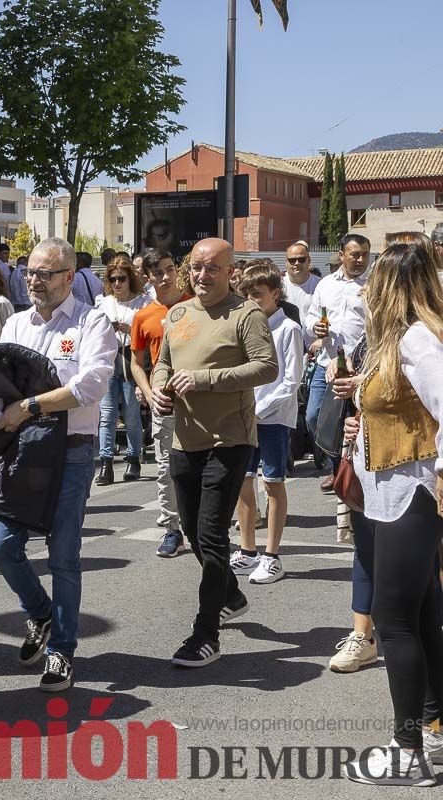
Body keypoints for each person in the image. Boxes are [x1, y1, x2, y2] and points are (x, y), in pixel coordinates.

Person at [0, 237, 116, 693]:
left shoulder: (94, 323)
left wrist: (30, 406)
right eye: (28, 271)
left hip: (71, 449)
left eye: (44, 273)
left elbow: (90, 386)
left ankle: (62, 651)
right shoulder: (15, 324)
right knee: (2, 546)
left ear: (69, 277)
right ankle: (41, 613)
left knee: (64, 555)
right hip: (20, 449)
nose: (33, 280)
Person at [151, 238, 278, 668]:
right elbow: (163, 363)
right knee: (191, 534)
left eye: (212, 268)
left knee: (210, 536)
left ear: (230, 272)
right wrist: (157, 388)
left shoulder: (246, 314)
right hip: (184, 438)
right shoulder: (179, 313)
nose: (202, 276)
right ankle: (232, 595)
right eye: (197, 267)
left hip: (230, 440)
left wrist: (205, 379)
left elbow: (266, 367)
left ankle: (205, 634)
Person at [344, 242, 443, 786]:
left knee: (395, 621)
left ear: (391, 286)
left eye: (373, 280)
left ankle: (407, 751)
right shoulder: (402, 339)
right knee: (423, 617)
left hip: (413, 491)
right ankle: (433, 730)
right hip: (392, 490)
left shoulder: (417, 339)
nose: (364, 289)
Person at [230, 264, 303, 585]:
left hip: (272, 418)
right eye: (246, 294)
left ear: (275, 294)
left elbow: (291, 380)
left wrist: (259, 409)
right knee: (243, 481)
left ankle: (272, 555)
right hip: (245, 417)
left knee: (272, 483)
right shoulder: (245, 326)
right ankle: (248, 550)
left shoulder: (288, 329)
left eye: (257, 294)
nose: (251, 300)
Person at [130, 250, 192, 557]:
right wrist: (147, 389)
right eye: (158, 272)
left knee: (202, 463)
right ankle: (172, 528)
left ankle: (201, 524)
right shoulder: (142, 316)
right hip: (164, 399)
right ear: (148, 277)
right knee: (166, 465)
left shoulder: (196, 305)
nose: (165, 277)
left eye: (170, 269)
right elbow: (136, 362)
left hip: (199, 398)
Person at [306, 233, 370, 492]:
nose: (360, 259)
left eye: (365, 254)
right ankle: (334, 462)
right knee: (313, 418)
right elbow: (310, 318)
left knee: (353, 422)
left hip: (359, 366)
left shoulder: (372, 286)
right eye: (355, 254)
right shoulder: (326, 285)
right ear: (342, 255)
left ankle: (347, 471)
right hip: (326, 363)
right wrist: (315, 328)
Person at [94, 254, 148, 486]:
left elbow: (146, 332)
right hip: (108, 358)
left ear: (130, 279)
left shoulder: (142, 303)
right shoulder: (103, 302)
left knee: (131, 414)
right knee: (106, 416)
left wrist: (131, 328)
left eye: (122, 278)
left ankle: (133, 457)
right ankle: (106, 462)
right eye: (113, 279)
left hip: (131, 359)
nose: (117, 283)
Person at [282, 241, 320, 342]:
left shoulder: (321, 285)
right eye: (292, 260)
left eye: (301, 259)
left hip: (314, 347)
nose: (297, 263)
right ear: (286, 262)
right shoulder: (278, 286)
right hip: (286, 345)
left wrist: (321, 339)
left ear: (309, 260)